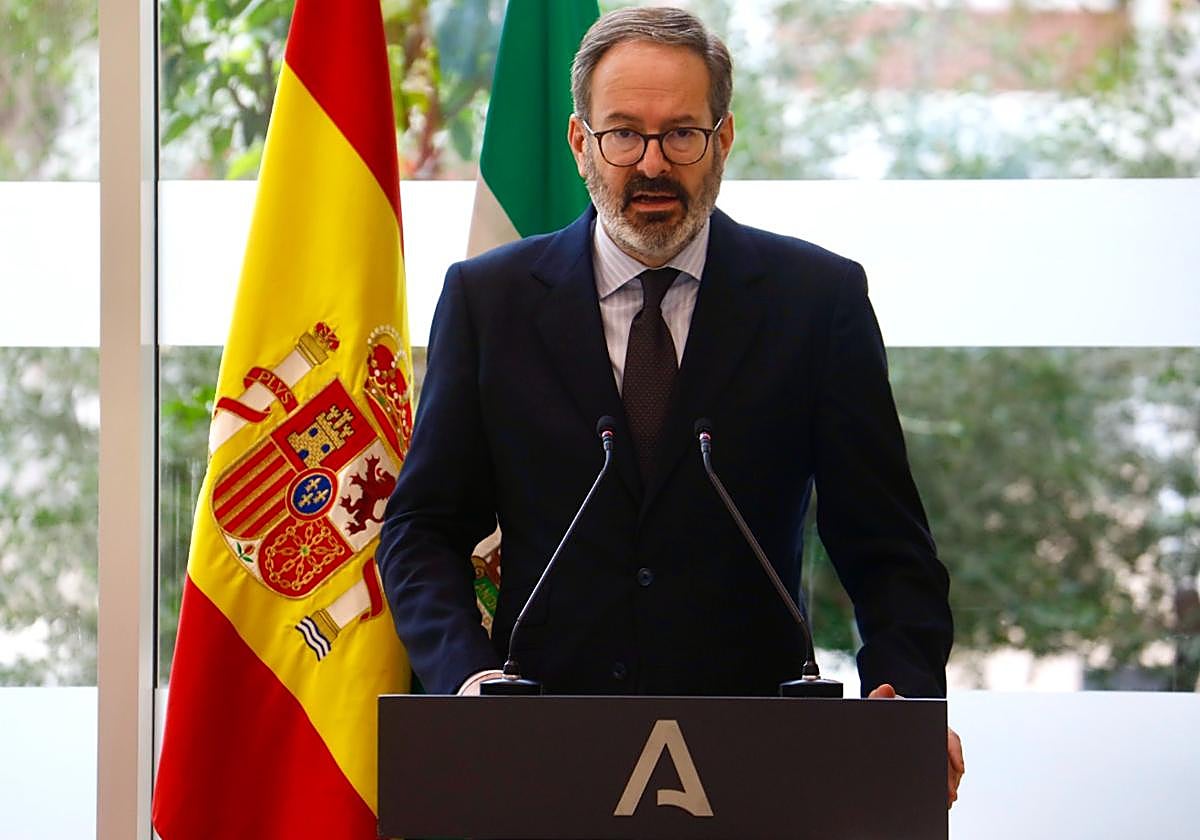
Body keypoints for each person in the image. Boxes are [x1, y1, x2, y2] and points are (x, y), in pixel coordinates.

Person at [377, 5, 963, 806]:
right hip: (538, 757)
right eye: (623, 133)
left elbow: (886, 544)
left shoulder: (816, 301)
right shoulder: (491, 301)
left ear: (722, 140)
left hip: (756, 763)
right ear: (581, 143)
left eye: (681, 133)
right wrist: (465, 679)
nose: (652, 163)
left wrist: (903, 692)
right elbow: (422, 528)